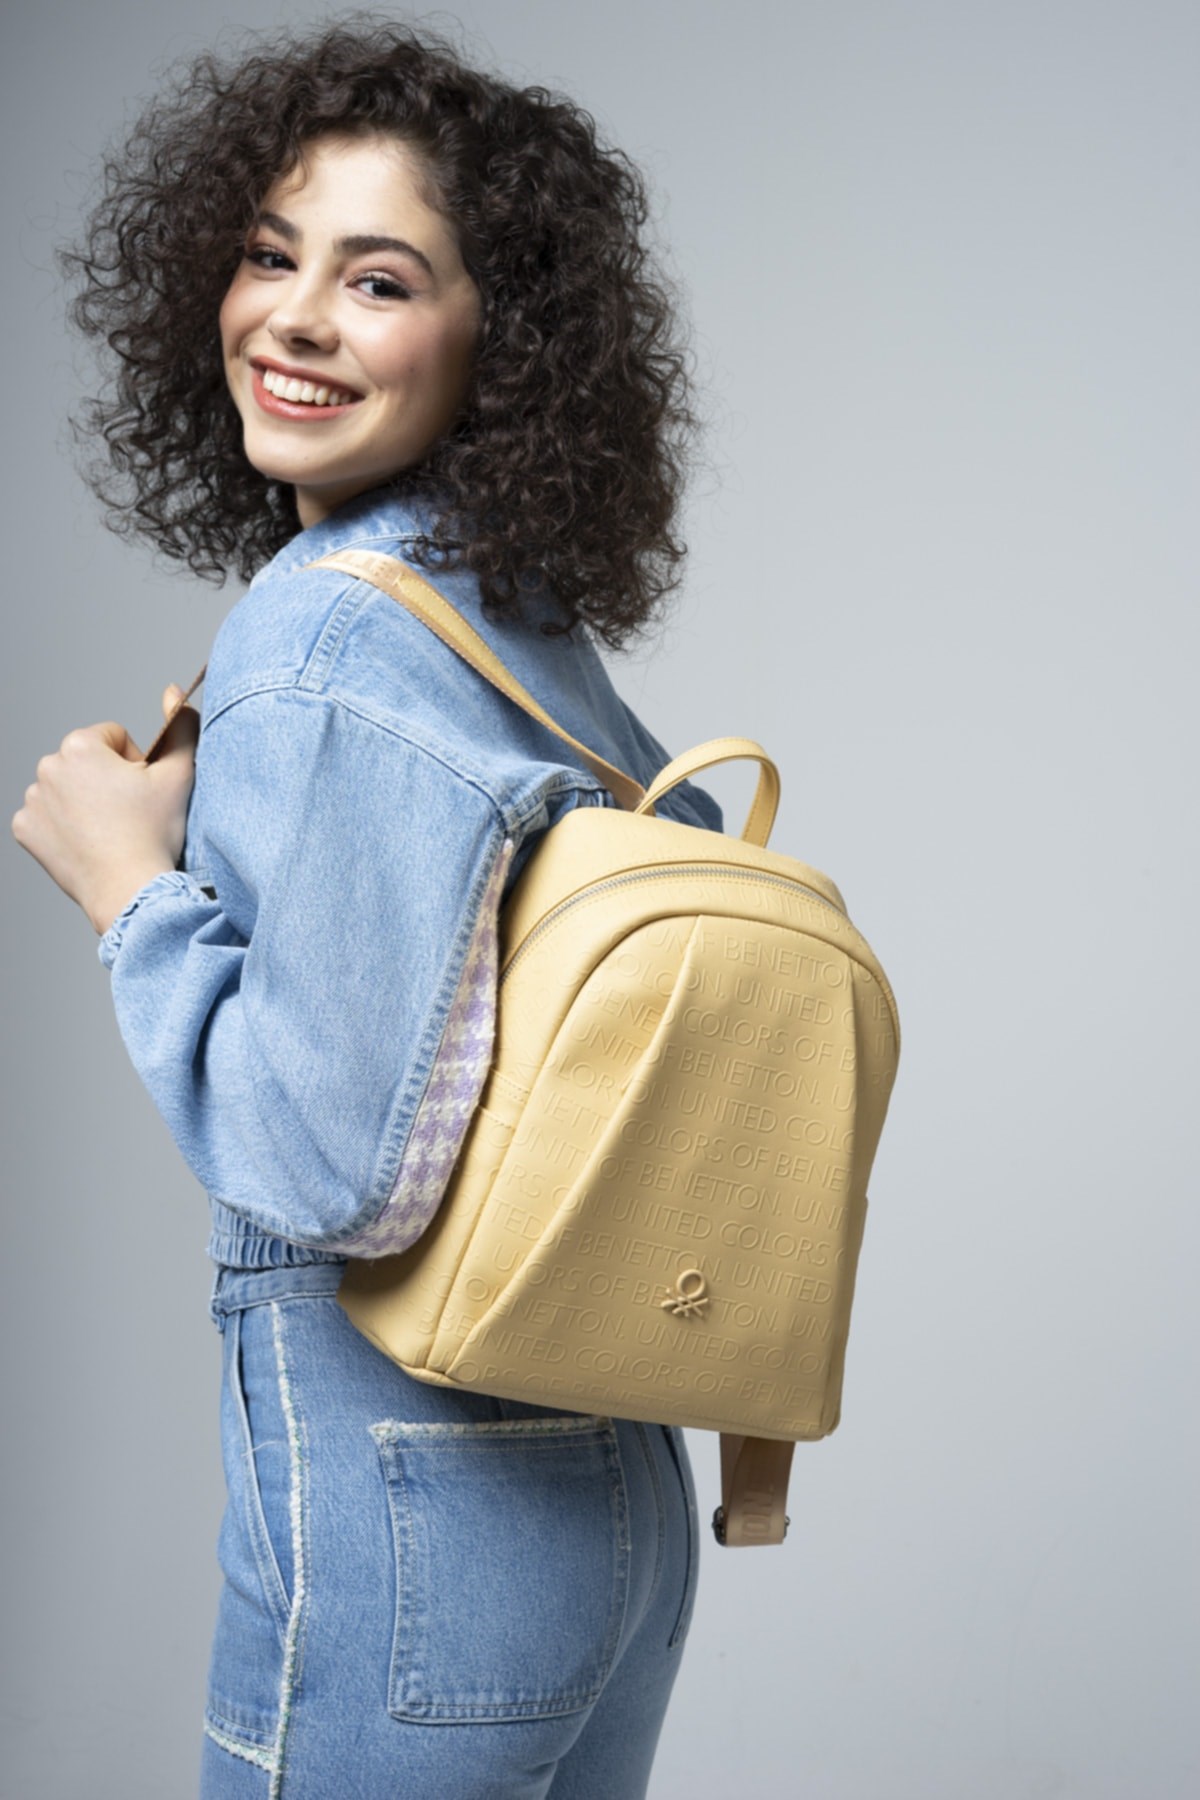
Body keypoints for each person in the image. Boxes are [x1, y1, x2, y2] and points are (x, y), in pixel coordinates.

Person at [11, 19, 723, 1798]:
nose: (297, 319)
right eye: (272, 256)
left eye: (380, 279)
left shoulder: (327, 625)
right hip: (616, 1509)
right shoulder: (516, 630)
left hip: (411, 1523)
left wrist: (126, 885)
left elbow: (332, 1168)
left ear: (502, 341)